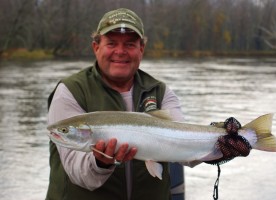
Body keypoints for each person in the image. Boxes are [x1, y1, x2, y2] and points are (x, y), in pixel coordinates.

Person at [46, 8, 251, 200]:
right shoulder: (70, 91)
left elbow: (183, 149)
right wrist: (101, 161)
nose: (120, 51)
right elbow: (77, 172)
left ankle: (254, 134)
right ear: (96, 47)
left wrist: (221, 145)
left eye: (129, 44)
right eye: (111, 43)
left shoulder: (160, 92)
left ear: (141, 49)